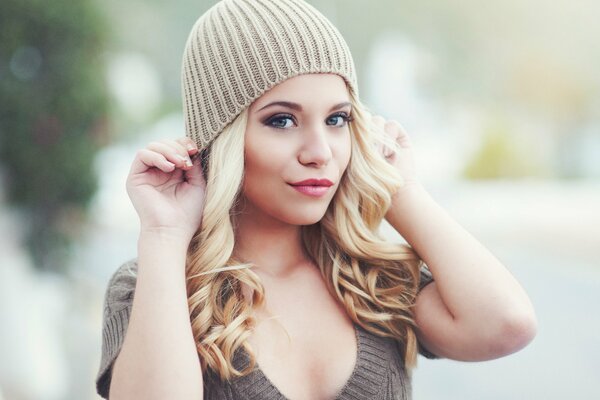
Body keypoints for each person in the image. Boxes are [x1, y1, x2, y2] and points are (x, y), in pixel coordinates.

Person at [95, 0, 537, 399]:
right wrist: (163, 234)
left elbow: (507, 325)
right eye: (282, 120)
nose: (320, 152)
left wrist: (399, 190)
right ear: (222, 138)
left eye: (337, 119)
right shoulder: (155, 284)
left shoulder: (372, 279)